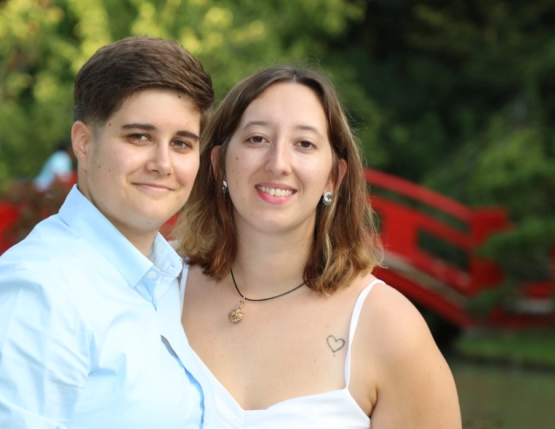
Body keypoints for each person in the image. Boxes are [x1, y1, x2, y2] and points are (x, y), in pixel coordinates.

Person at [0, 36, 215, 428]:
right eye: (139, 137)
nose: (163, 163)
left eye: (181, 143)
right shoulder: (36, 296)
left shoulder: (167, 278)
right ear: (84, 143)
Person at [174, 66, 462, 428]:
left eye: (304, 144)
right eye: (257, 139)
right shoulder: (159, 287)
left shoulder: (389, 328)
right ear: (218, 164)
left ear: (333, 177)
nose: (278, 163)